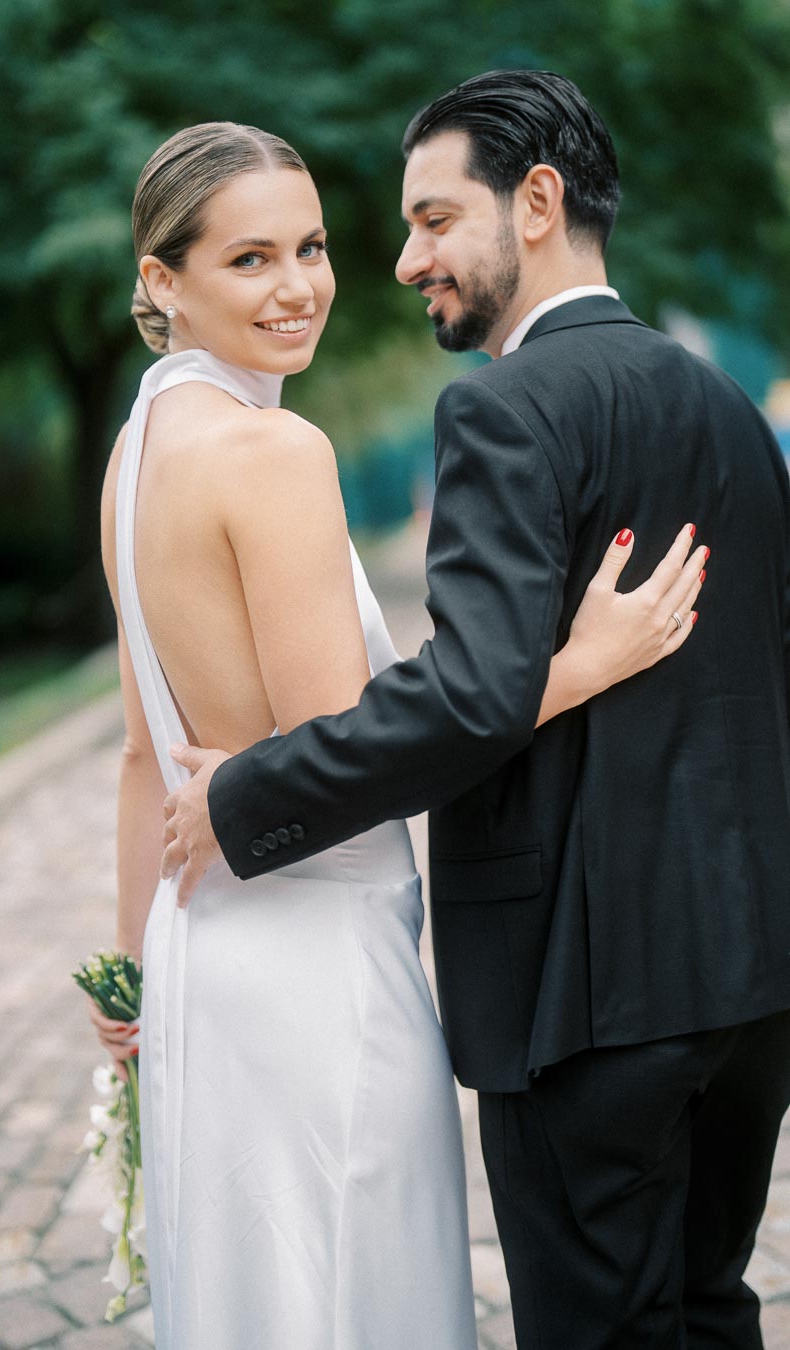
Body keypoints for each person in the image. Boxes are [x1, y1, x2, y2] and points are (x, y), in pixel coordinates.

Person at [160, 74, 790, 1350]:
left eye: (436, 219)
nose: (406, 261)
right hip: (750, 981)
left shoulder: (505, 410)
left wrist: (244, 794)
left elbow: (471, 696)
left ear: (539, 203)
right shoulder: (730, 411)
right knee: (711, 1311)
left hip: (584, 997)